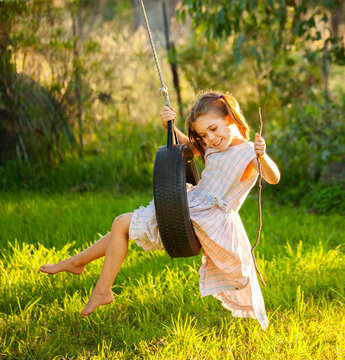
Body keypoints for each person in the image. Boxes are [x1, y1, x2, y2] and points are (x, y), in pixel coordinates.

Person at [40, 91, 280, 330]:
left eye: (213, 129)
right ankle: (77, 263)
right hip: (192, 205)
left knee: (121, 223)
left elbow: (273, 177)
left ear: (229, 117)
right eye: (204, 134)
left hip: (209, 219)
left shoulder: (248, 152)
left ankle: (100, 288)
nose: (210, 138)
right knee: (123, 227)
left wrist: (262, 155)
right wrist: (170, 127)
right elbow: (188, 147)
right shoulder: (213, 145)